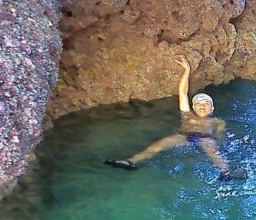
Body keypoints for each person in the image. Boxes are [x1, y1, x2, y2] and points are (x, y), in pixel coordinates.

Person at [104, 55, 246, 180]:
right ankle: (130, 161)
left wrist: (217, 142)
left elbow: (220, 137)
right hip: (184, 136)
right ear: (194, 107)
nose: (202, 106)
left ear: (212, 108)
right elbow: (183, 94)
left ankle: (226, 172)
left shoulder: (217, 121)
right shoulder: (188, 115)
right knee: (158, 145)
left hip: (205, 138)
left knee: (213, 151)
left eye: (206, 104)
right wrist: (187, 71)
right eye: (198, 104)